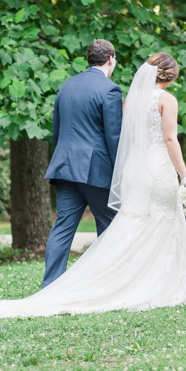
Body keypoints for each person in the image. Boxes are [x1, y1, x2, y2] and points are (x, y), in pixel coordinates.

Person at [0, 52, 186, 323]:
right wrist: (176, 175)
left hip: (69, 165)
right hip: (122, 170)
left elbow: (61, 129)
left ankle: (52, 285)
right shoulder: (126, 93)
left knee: (70, 226)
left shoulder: (93, 91)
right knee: (124, 227)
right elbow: (133, 137)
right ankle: (122, 282)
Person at [42, 39, 123, 287]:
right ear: (110, 59)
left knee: (63, 227)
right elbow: (114, 137)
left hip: (64, 167)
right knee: (111, 226)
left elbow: (57, 130)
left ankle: (50, 285)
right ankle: (107, 283)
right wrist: (121, 171)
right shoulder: (110, 90)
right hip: (96, 170)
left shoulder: (67, 86)